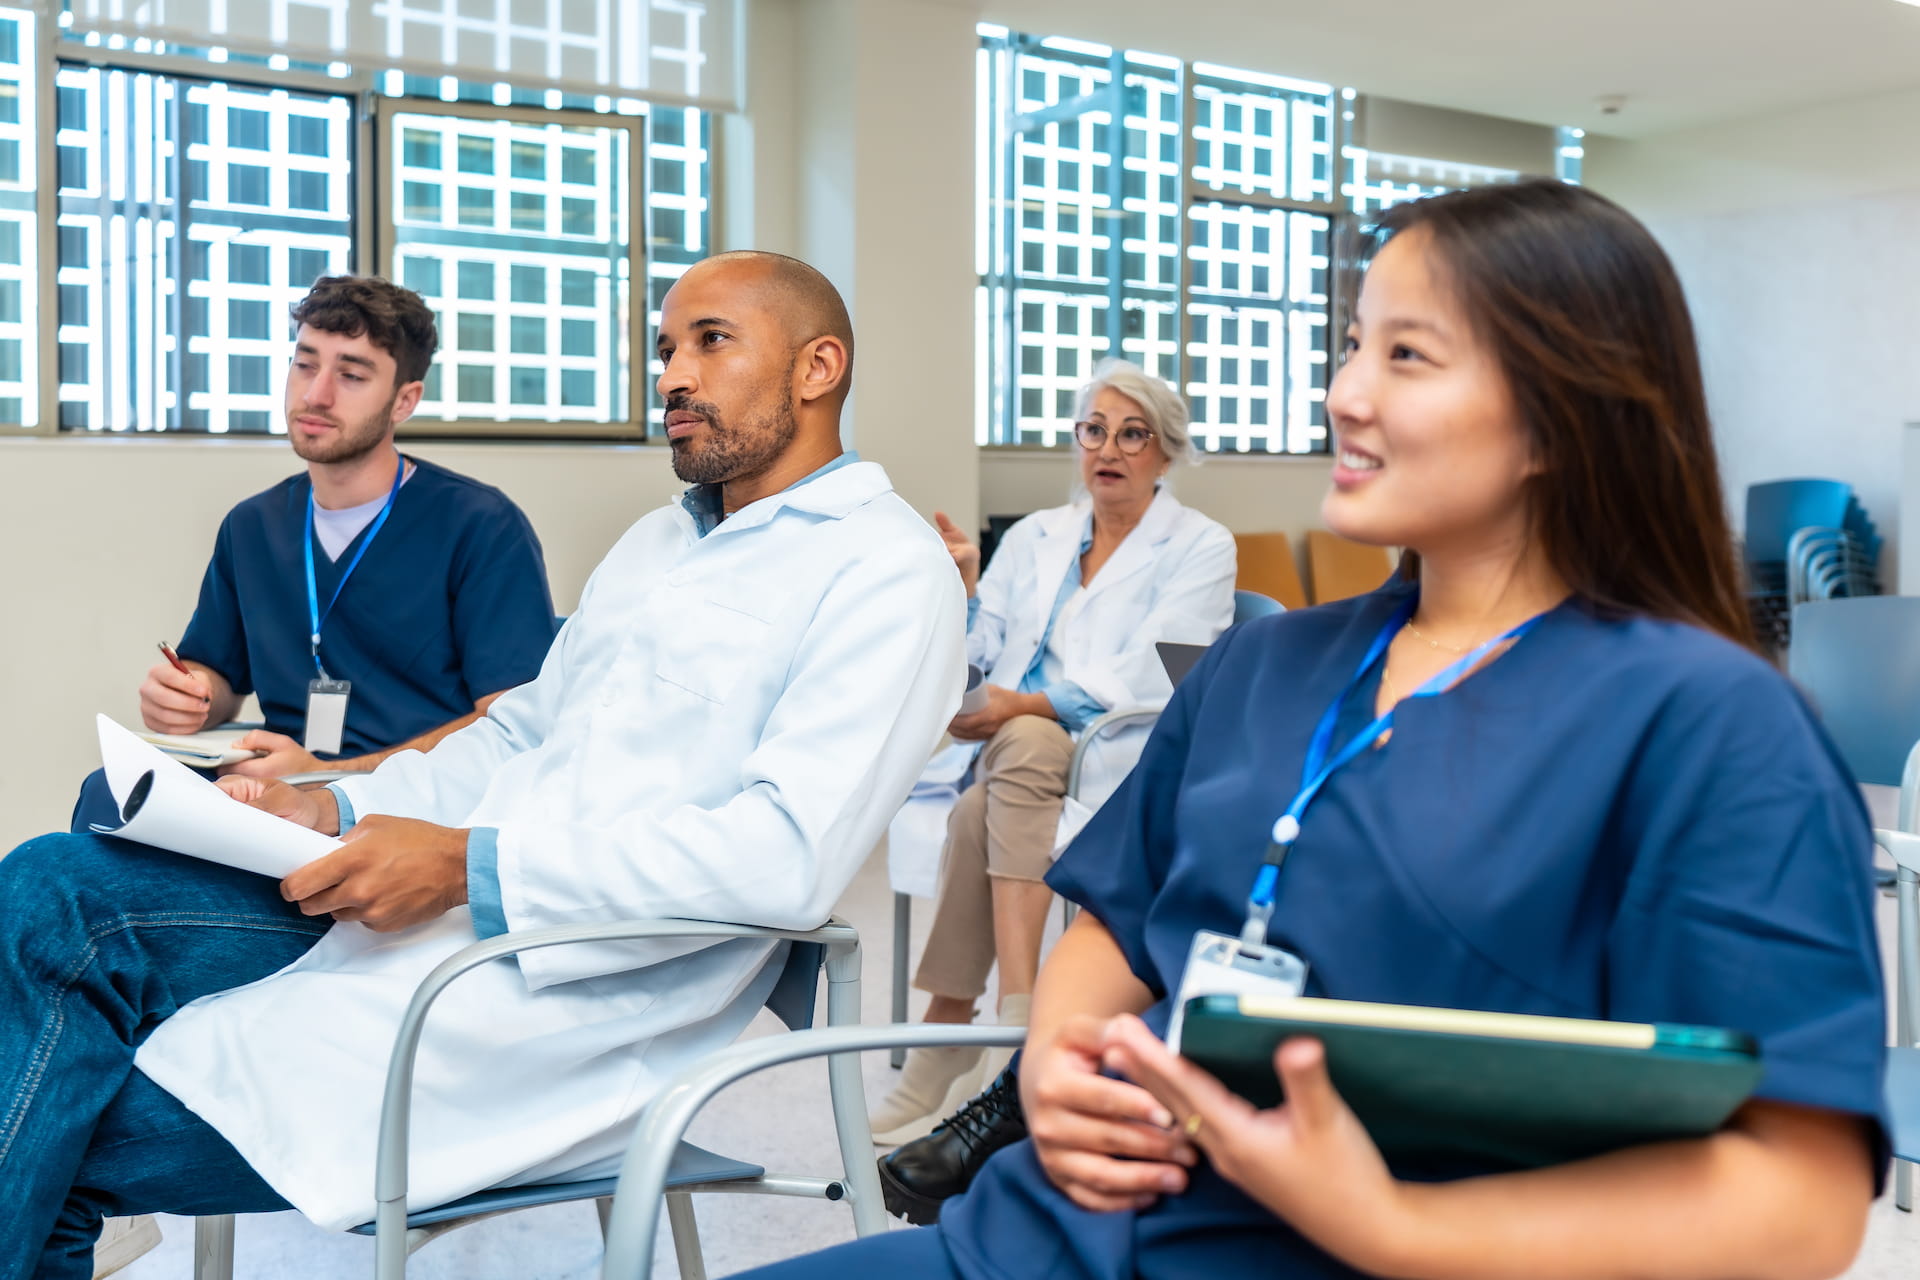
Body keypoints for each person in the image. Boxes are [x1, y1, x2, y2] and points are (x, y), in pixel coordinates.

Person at [739, 181, 1887, 1279]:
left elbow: (1805, 1196)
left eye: (1406, 354)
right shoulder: (1267, 661)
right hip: (1048, 1238)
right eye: (1350, 345)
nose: (1343, 390)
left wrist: (1397, 1227)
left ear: (1560, 416)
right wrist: (1063, 1065)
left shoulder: (1712, 724)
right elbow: (1118, 927)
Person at [0, 250, 966, 1278]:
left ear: (819, 367)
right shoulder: (657, 545)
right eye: (666, 348)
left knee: (49, 1132)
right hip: (424, 909)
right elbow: (515, 737)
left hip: (571, 999)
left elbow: (783, 858)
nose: (674, 374)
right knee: (51, 882)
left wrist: (470, 866)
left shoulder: (885, 572)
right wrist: (328, 802)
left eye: (711, 342)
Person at [873, 359, 1235, 1145]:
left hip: (1119, 754)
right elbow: (977, 658)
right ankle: (994, 1026)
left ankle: (984, 1022)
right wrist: (960, 590)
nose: (1109, 448)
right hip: (1013, 757)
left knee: (1018, 756)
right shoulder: (1036, 536)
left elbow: (1162, 673)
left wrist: (1024, 706)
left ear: (1165, 453)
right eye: (1094, 430)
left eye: (1133, 434)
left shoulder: (1202, 547)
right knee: (1000, 778)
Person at [69, 275, 557, 832]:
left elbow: (513, 724)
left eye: (350, 375)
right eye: (305, 364)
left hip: (410, 817)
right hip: (272, 794)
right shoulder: (253, 526)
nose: (315, 394)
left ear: (405, 400)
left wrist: (334, 778)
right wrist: (192, 696)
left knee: (88, 881)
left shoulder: (481, 526)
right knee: (110, 793)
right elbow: (220, 679)